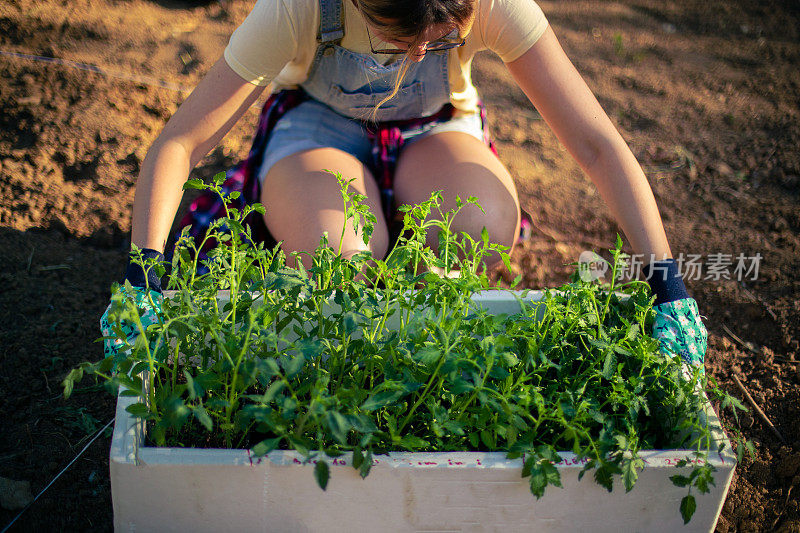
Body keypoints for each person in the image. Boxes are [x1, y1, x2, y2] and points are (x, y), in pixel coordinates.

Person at [102, 0, 707, 370]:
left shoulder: (494, 2)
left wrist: (665, 278)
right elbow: (181, 141)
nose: (419, 50)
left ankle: (425, 279)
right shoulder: (299, 7)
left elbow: (597, 144)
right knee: (338, 270)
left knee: (475, 228)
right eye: (399, 33)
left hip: (434, 132)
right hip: (319, 126)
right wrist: (144, 273)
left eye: (439, 39)